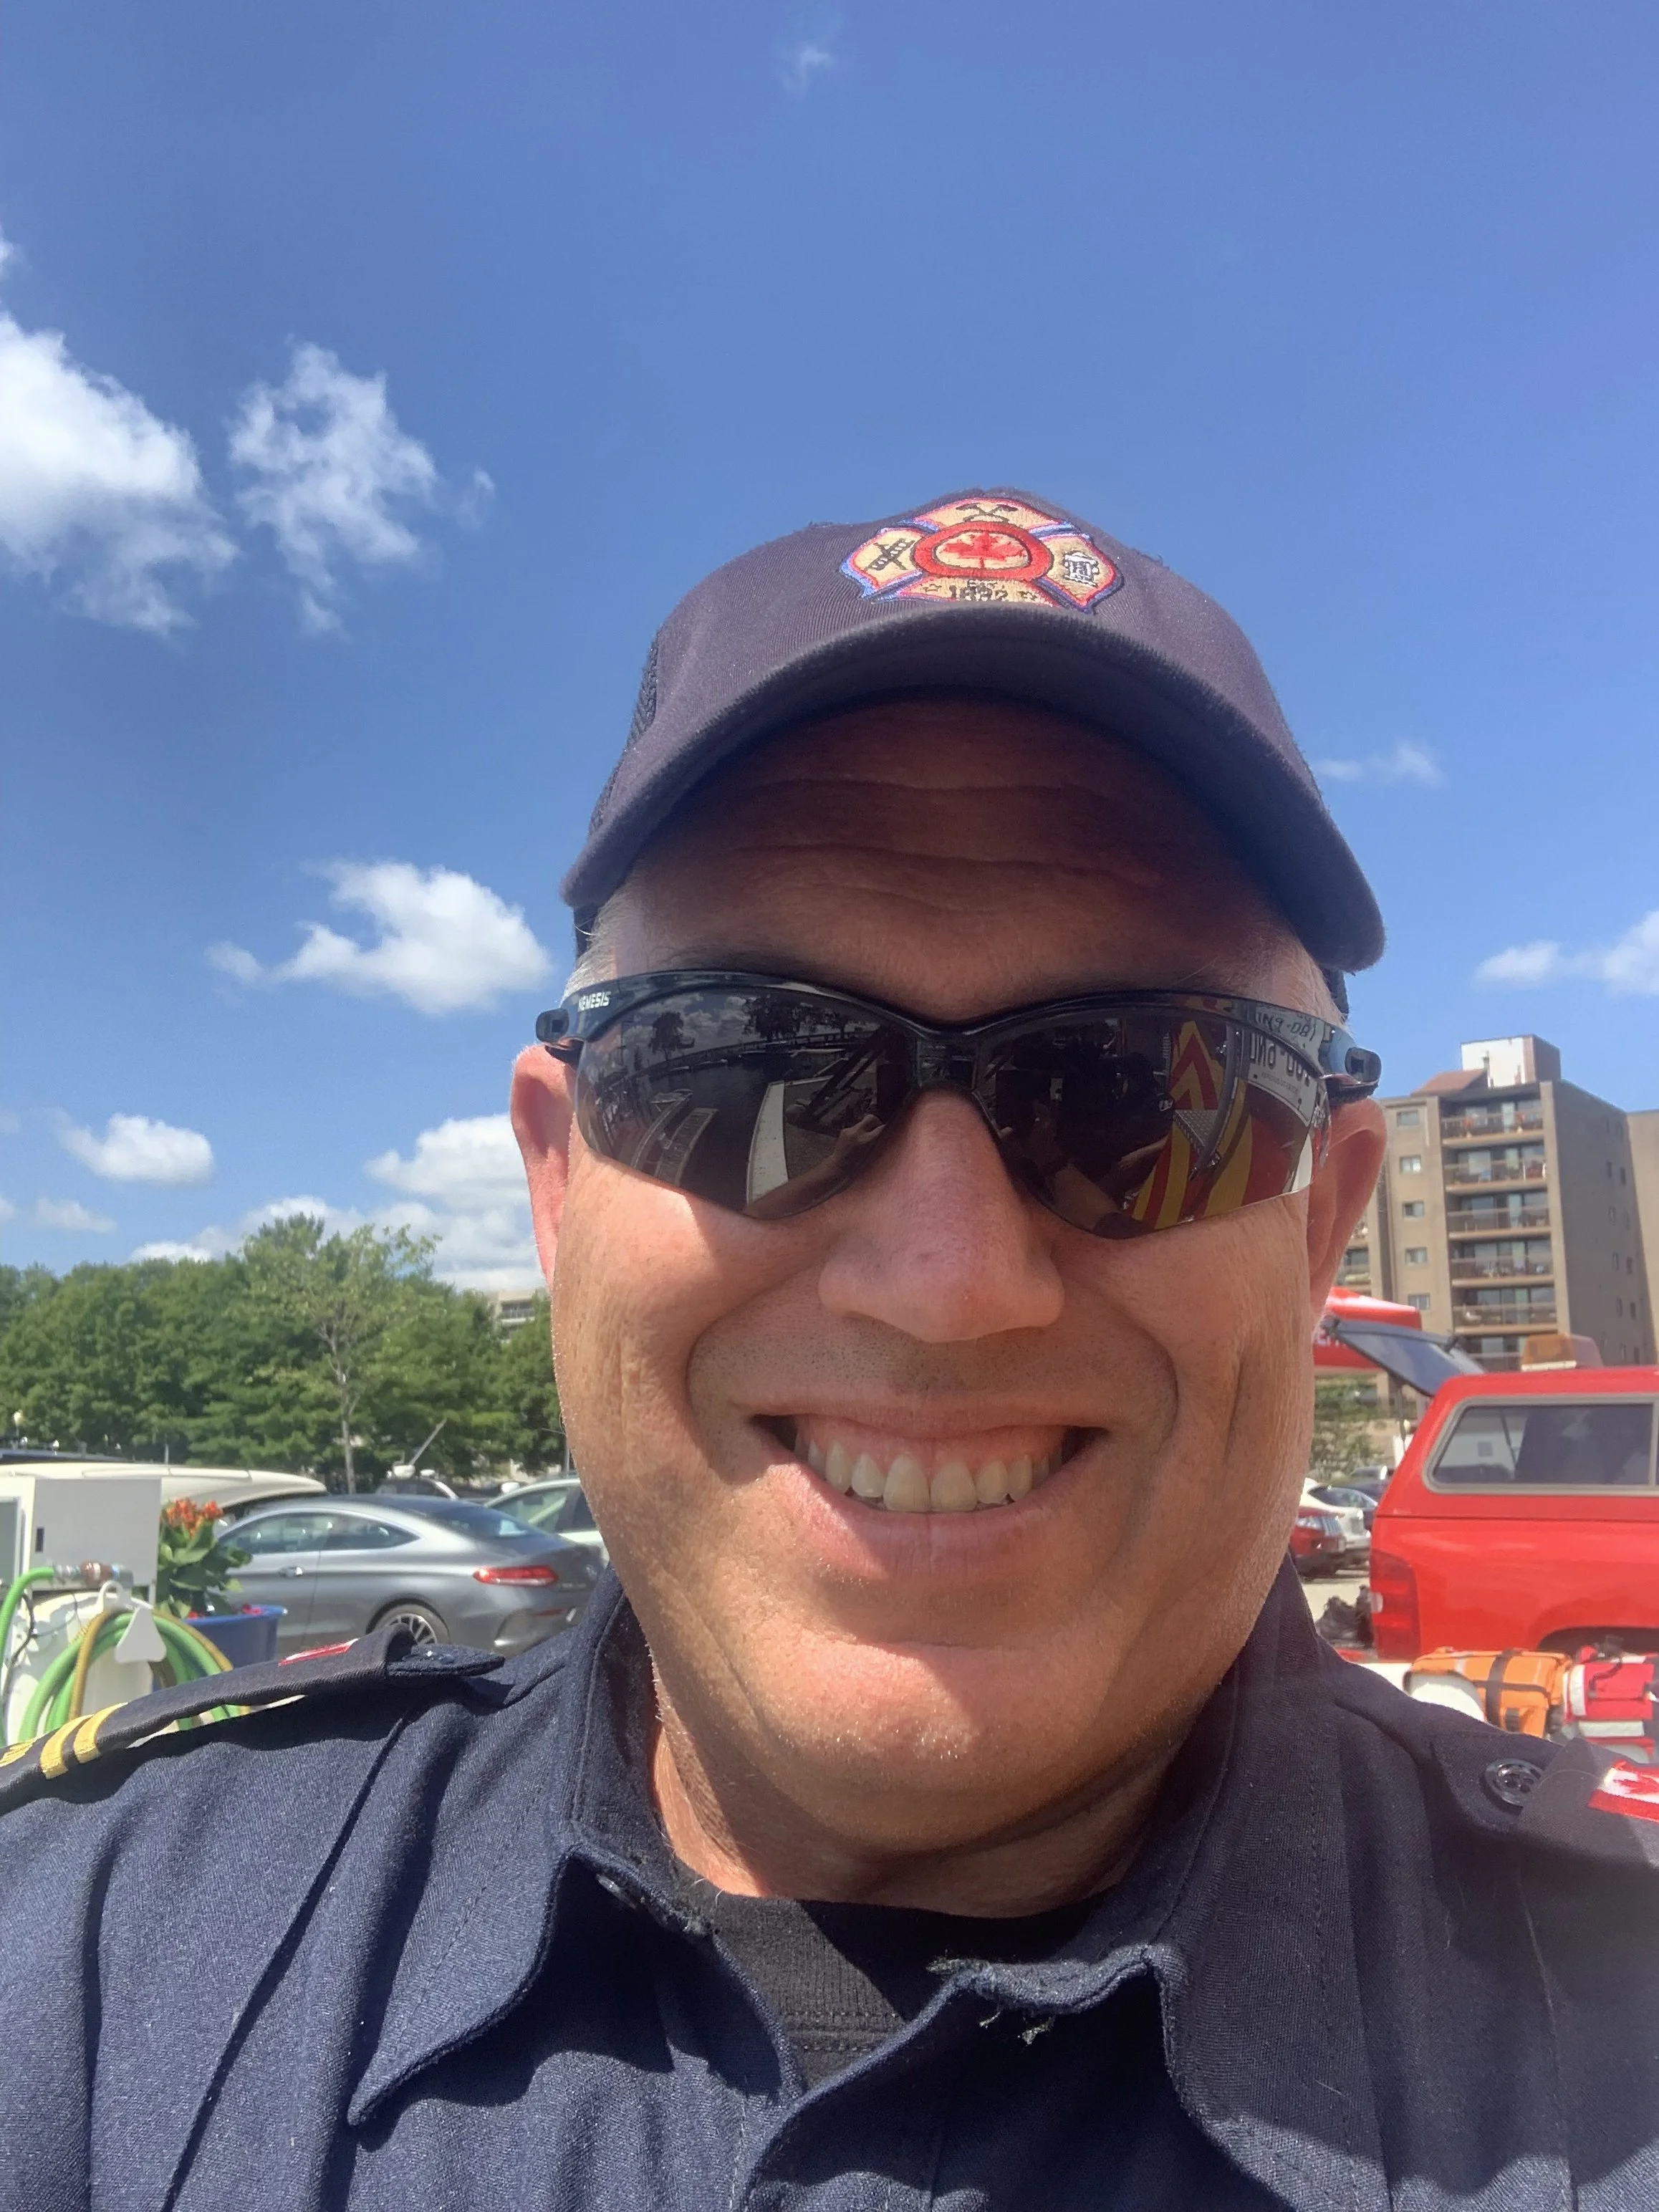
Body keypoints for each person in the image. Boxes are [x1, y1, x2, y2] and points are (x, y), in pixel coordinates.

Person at [2, 489, 1656, 2211]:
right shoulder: (96, 1975)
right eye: (747, 1071)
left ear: (1322, 1232)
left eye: (1144, 1091)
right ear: (560, 1186)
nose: (948, 1282)